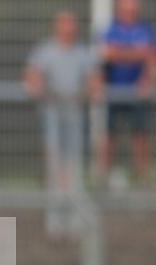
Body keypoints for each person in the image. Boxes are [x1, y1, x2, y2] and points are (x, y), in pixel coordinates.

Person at [24, 11, 102, 194]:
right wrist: (42, 90)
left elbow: (95, 81)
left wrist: (86, 93)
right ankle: (55, 195)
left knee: (73, 155)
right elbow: (32, 77)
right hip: (52, 113)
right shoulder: (46, 51)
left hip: (75, 113)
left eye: (72, 23)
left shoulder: (83, 52)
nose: (70, 27)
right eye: (65, 23)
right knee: (54, 153)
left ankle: (72, 193)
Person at [97, 0, 156, 188]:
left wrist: (122, 53)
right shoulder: (111, 29)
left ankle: (144, 179)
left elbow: (153, 57)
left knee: (141, 136)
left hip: (138, 93)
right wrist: (138, 53)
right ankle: (103, 179)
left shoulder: (146, 29)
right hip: (114, 91)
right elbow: (107, 54)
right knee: (109, 135)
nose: (130, 10)